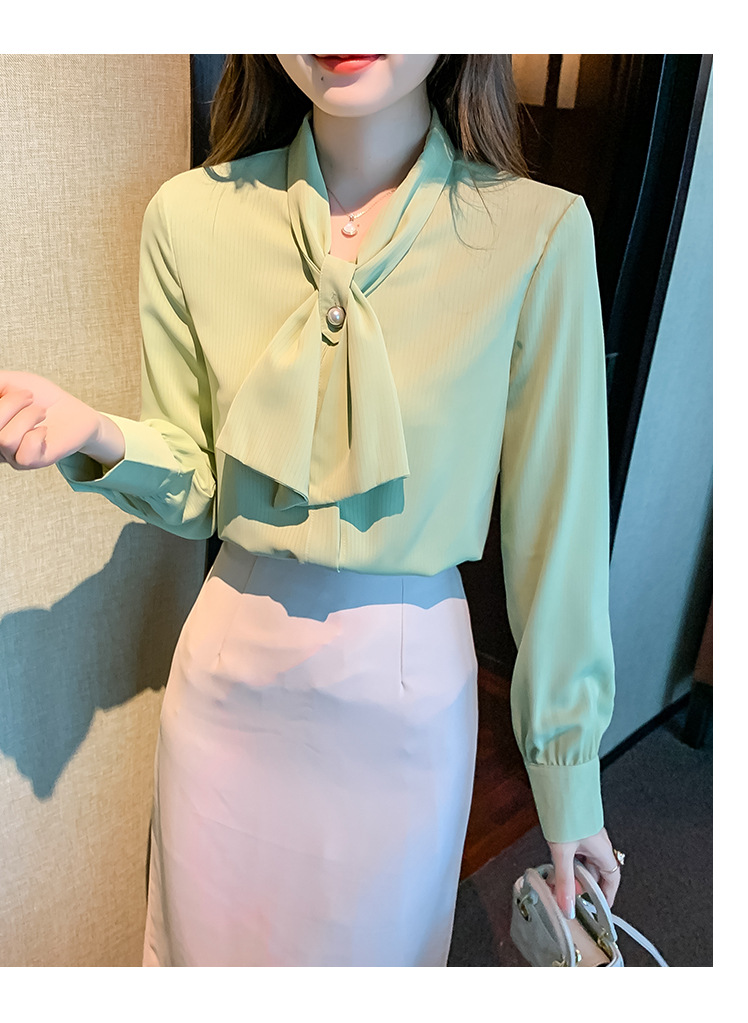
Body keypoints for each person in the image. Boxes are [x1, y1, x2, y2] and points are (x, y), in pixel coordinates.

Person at [0, 54, 622, 966]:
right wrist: (98, 432)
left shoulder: (538, 234)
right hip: (227, 682)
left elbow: (559, 531)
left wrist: (568, 781)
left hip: (406, 699)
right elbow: (200, 481)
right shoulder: (189, 216)